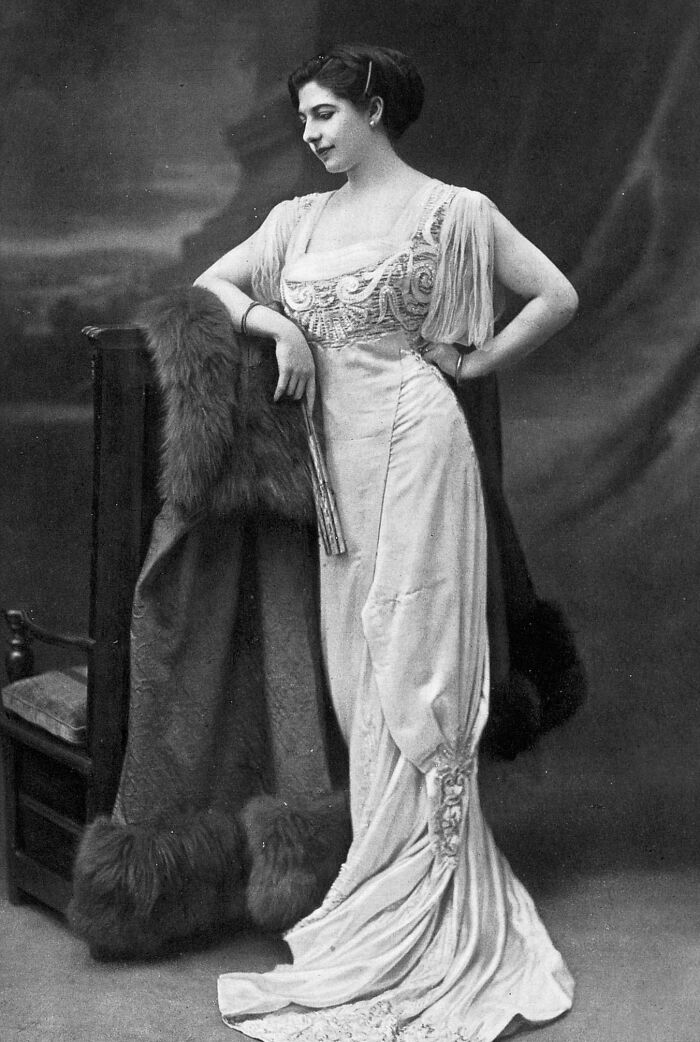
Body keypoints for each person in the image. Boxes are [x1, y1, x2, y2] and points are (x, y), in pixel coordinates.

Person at [194, 43, 578, 1042]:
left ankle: (430, 899)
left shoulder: (452, 212)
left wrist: (476, 361)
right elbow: (210, 286)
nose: (311, 134)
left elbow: (556, 295)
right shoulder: (297, 222)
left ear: (372, 107)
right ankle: (381, 880)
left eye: (325, 114)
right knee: (358, 671)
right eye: (303, 119)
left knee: (417, 668)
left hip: (417, 443)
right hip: (340, 471)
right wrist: (277, 327)